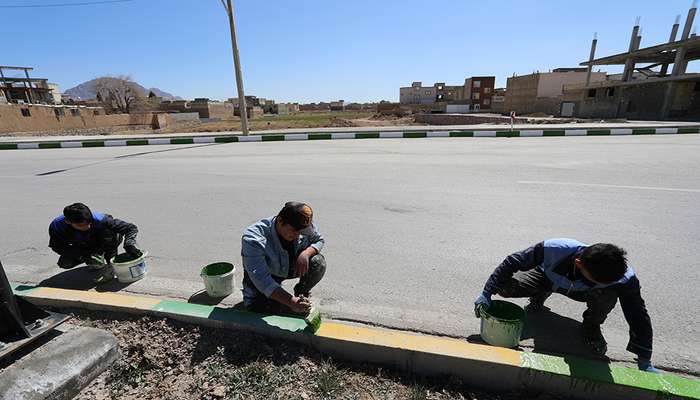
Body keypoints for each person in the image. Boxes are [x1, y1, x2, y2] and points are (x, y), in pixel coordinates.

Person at [473, 238, 657, 373]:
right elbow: (513, 261)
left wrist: (644, 357)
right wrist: (486, 293)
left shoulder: (623, 277)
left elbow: (637, 314)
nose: (599, 283)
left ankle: (592, 325)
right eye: (595, 280)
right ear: (578, 263)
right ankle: (539, 295)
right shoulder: (555, 248)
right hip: (546, 278)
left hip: (583, 293)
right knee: (506, 286)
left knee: (607, 294)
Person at [241, 201, 326, 315]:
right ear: (280, 220)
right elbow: (262, 280)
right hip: (267, 275)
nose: (298, 235)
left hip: (289, 267)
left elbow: (318, 240)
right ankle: (259, 299)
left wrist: (306, 253)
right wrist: (291, 302)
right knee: (261, 309)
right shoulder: (253, 238)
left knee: (317, 262)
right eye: (294, 231)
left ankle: (301, 293)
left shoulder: (303, 222)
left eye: (301, 231)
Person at [49, 203, 142, 283]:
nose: (87, 227)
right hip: (82, 245)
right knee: (65, 263)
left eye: (89, 223)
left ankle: (110, 265)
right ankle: (94, 261)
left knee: (109, 232)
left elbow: (130, 228)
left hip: (103, 240)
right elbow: (57, 247)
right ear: (68, 222)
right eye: (81, 225)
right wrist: (83, 255)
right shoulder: (57, 227)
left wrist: (129, 244)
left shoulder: (100, 219)